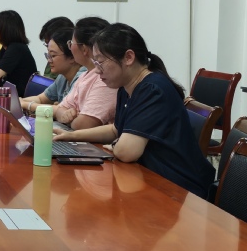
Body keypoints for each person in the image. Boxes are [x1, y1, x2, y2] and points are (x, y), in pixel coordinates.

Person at [55, 23, 215, 199]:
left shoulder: (152, 90)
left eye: (100, 63)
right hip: (149, 178)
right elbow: (115, 129)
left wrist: (116, 144)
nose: (97, 71)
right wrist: (71, 136)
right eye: (95, 63)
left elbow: (127, 152)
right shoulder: (127, 88)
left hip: (177, 188)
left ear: (129, 57)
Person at [52, 16, 116, 129]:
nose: (70, 47)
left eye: (71, 43)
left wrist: (68, 118)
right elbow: (59, 110)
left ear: (84, 49)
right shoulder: (84, 75)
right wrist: (64, 115)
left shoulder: (105, 78)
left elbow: (83, 125)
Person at [20, 27, 86, 113]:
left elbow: (60, 111)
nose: (49, 60)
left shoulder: (83, 78)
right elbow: (41, 99)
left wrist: (25, 104)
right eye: (48, 55)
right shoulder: (62, 77)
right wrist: (19, 101)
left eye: (53, 56)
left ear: (72, 57)